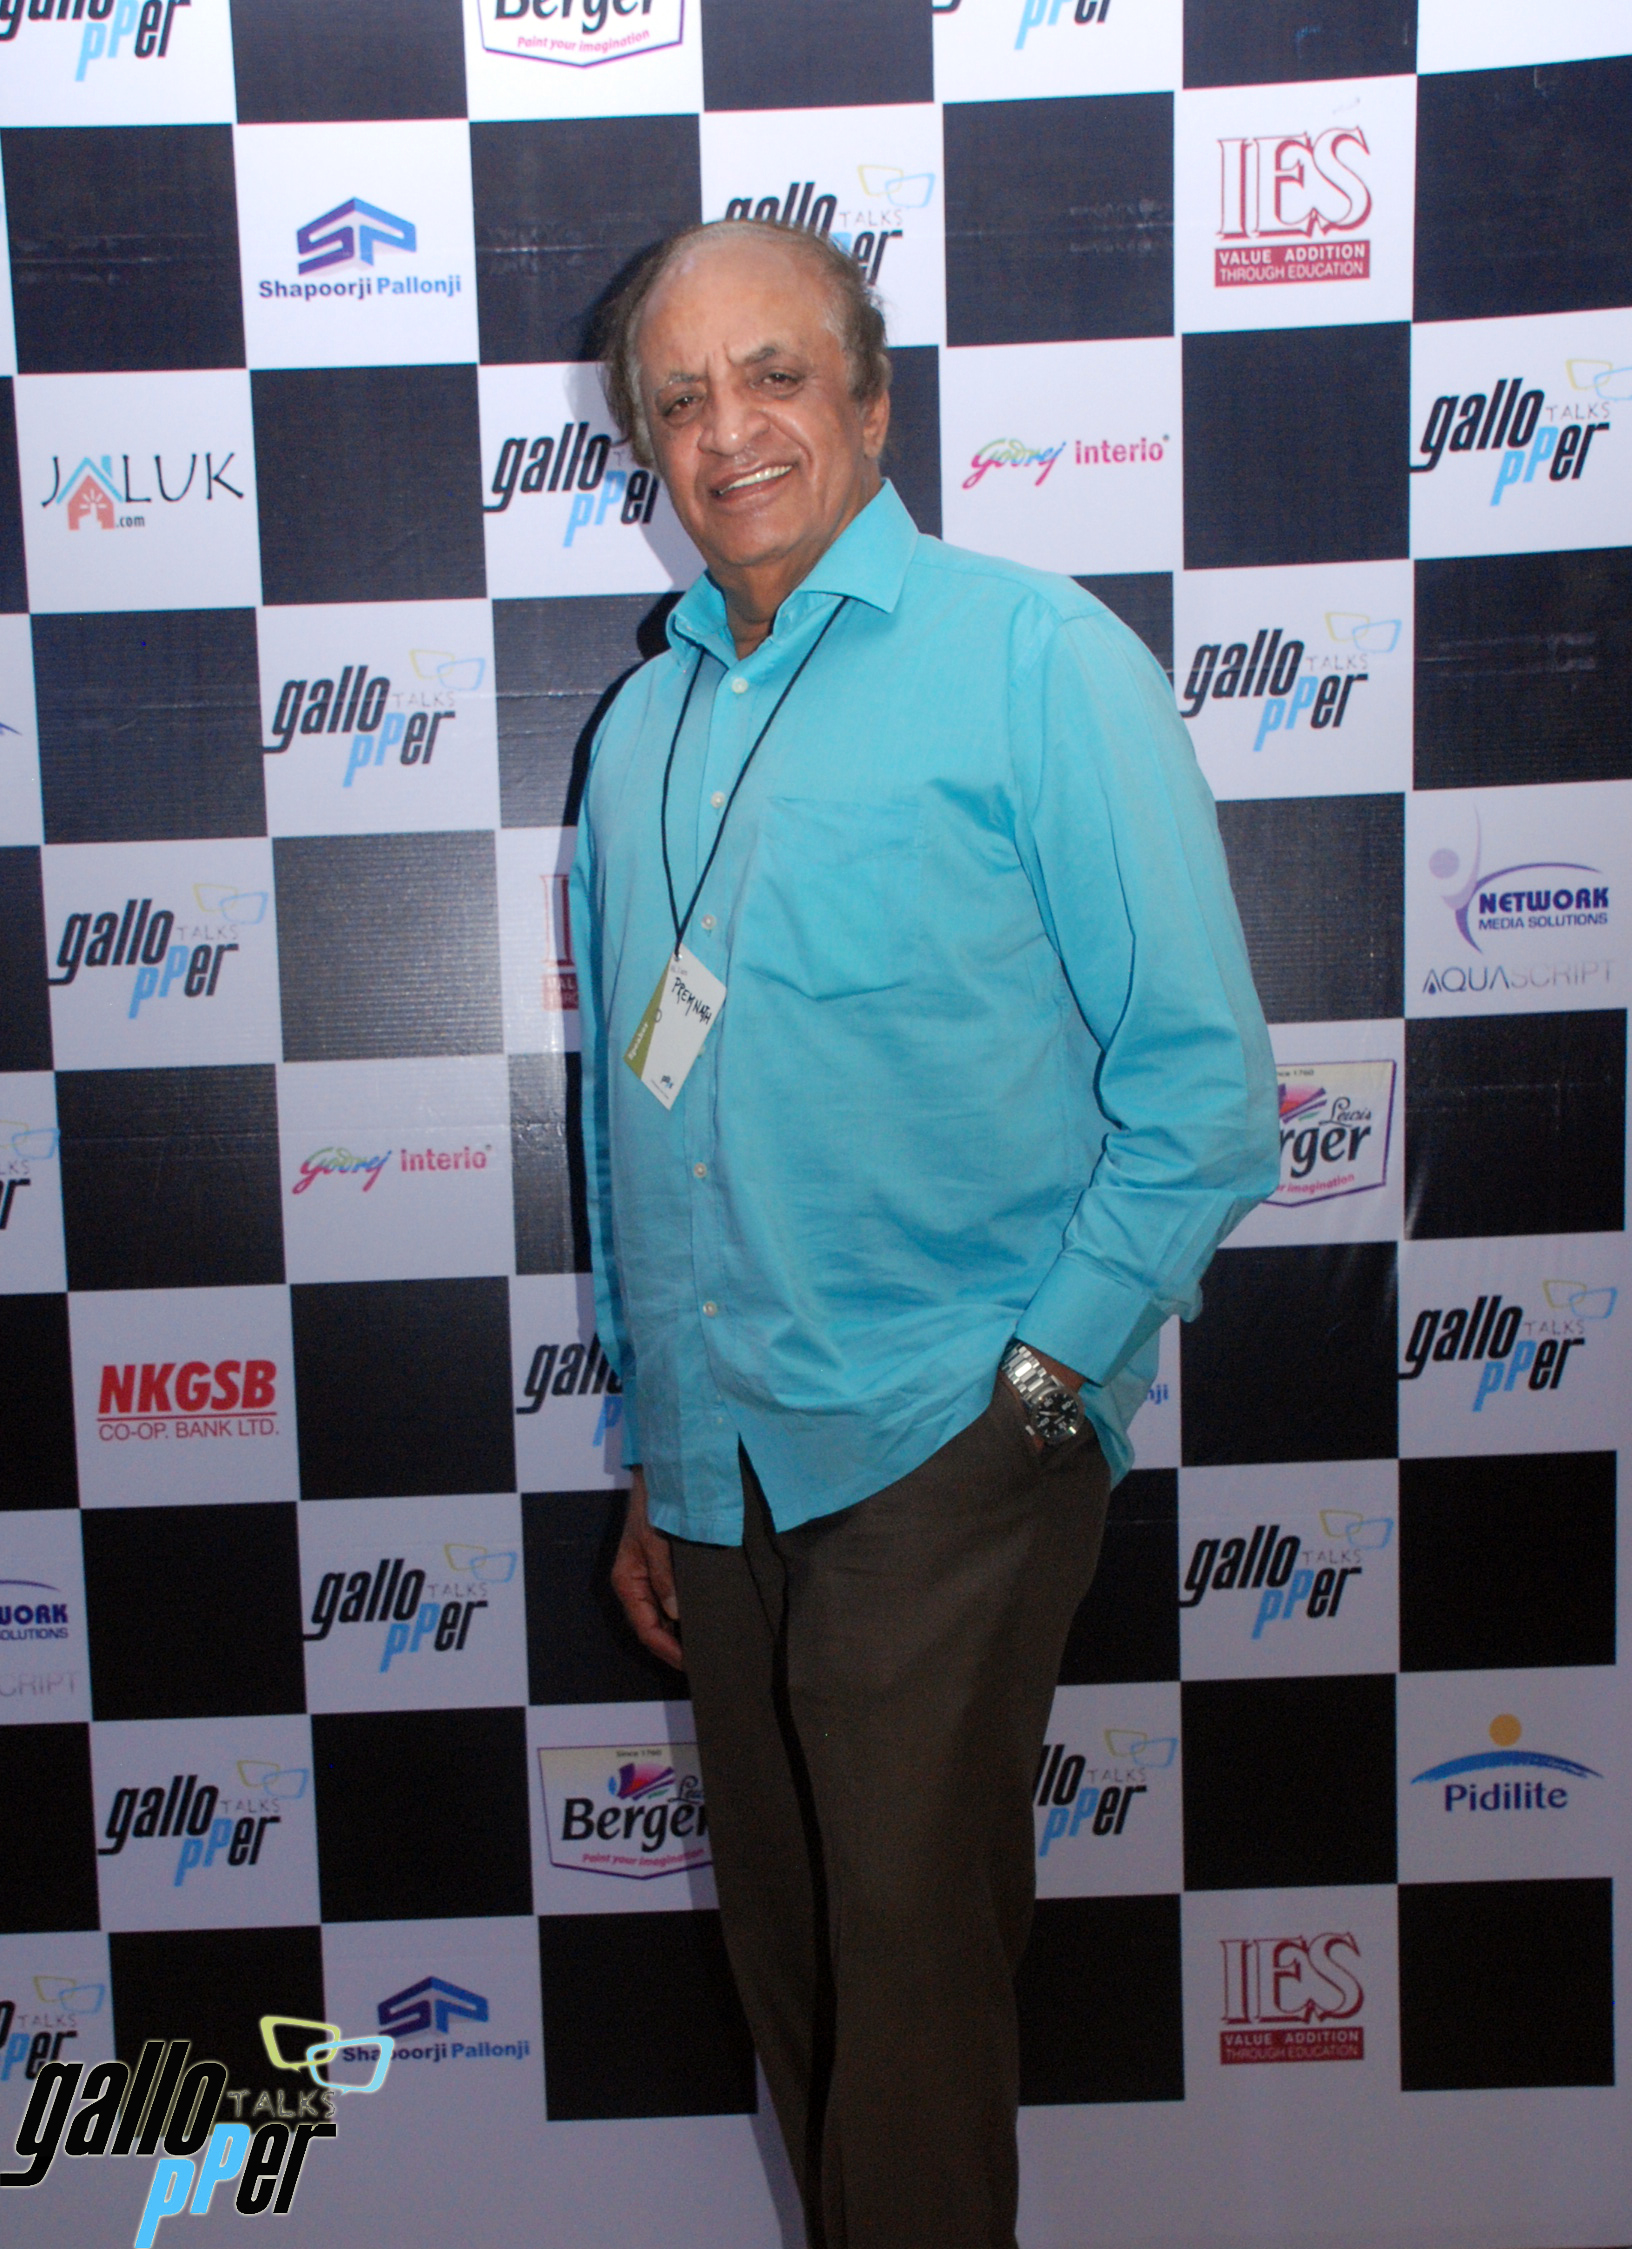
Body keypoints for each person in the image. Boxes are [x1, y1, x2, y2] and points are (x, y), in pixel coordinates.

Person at [569, 218, 1277, 2249]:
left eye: (775, 374)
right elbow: (648, 1116)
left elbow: (1206, 1092)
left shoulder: (1036, 660)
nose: (730, 428)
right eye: (681, 398)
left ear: (873, 405)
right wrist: (664, 1456)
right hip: (727, 1464)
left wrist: (1039, 1392)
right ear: (649, 448)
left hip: (951, 1436)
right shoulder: (641, 731)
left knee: (907, 1988)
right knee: (802, 1976)